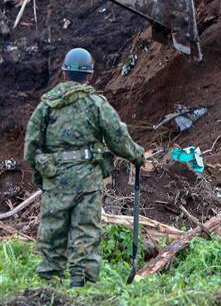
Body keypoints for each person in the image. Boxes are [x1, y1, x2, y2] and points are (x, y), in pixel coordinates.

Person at [24, 47, 145, 287]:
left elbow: (31, 146)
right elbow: (118, 137)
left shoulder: (47, 106)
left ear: (65, 73)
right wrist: (137, 155)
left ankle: (49, 279)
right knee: (85, 230)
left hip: (55, 179)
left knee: (53, 229)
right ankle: (82, 280)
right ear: (90, 75)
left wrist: (42, 171)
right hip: (87, 181)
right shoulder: (96, 104)